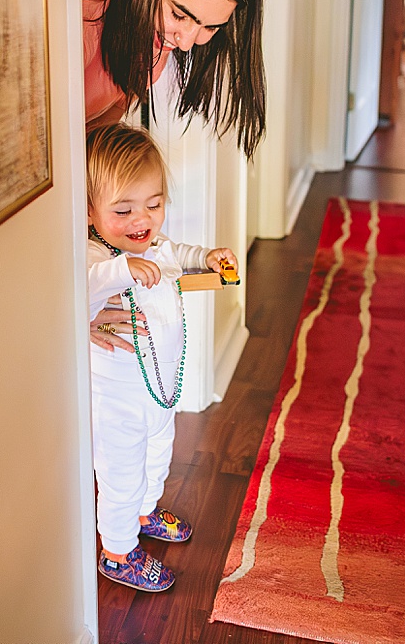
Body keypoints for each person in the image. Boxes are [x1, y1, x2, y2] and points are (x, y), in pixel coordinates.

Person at [84, 0, 265, 354]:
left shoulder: (156, 41)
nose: (187, 41)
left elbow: (87, 158)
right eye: (181, 14)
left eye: (210, 27)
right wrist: (66, 305)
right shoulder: (81, 12)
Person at [85, 123, 237, 591]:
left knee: (158, 455)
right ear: (90, 213)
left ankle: (145, 511)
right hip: (117, 397)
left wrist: (208, 256)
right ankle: (117, 550)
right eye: (123, 210)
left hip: (160, 387)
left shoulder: (156, 245)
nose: (142, 220)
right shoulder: (94, 256)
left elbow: (179, 253)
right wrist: (121, 267)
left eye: (154, 204)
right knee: (121, 471)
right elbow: (80, 291)